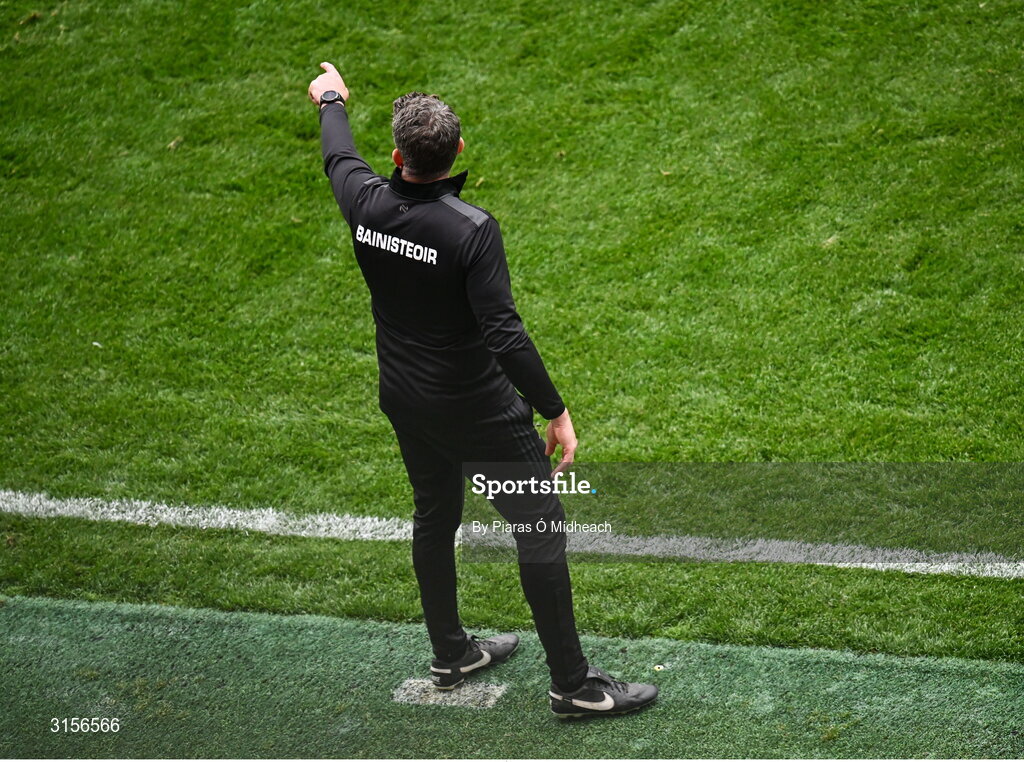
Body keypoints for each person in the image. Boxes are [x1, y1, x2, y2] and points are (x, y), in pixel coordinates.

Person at [308, 61, 657, 717]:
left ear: (397, 155)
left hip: (407, 401)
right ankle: (574, 687)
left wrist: (331, 97)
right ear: (458, 152)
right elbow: (504, 334)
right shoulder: (470, 229)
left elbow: (336, 153)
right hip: (479, 414)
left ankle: (451, 652)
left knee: (435, 516)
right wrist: (555, 410)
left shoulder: (364, 200)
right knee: (541, 531)